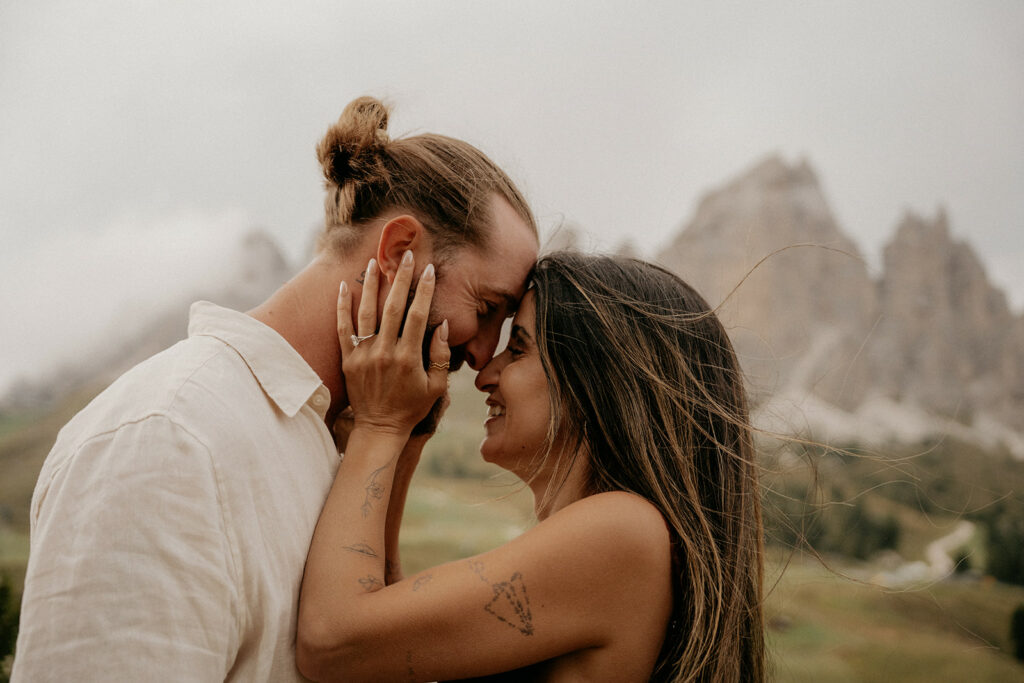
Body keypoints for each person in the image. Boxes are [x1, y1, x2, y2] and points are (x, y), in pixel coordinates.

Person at [13, 96, 539, 681]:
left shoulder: (334, 444)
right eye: (487, 307)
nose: (481, 353)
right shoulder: (170, 438)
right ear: (398, 253)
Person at [297, 251, 766, 682]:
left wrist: (380, 425)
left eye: (517, 349)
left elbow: (332, 642)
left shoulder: (624, 529)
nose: (485, 375)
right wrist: (407, 436)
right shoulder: (623, 535)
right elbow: (385, 643)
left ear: (594, 381)